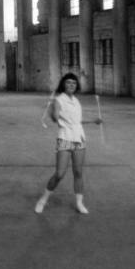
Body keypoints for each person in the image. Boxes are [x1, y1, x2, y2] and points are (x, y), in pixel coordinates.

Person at [34, 72, 102, 215]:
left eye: (74, 83)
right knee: (59, 174)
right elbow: (55, 118)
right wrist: (53, 108)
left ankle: (79, 203)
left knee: (78, 172)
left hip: (79, 139)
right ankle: (43, 200)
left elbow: (77, 121)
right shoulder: (59, 99)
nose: (71, 85)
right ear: (63, 85)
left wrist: (93, 121)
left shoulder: (76, 101)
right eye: (68, 83)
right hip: (65, 138)